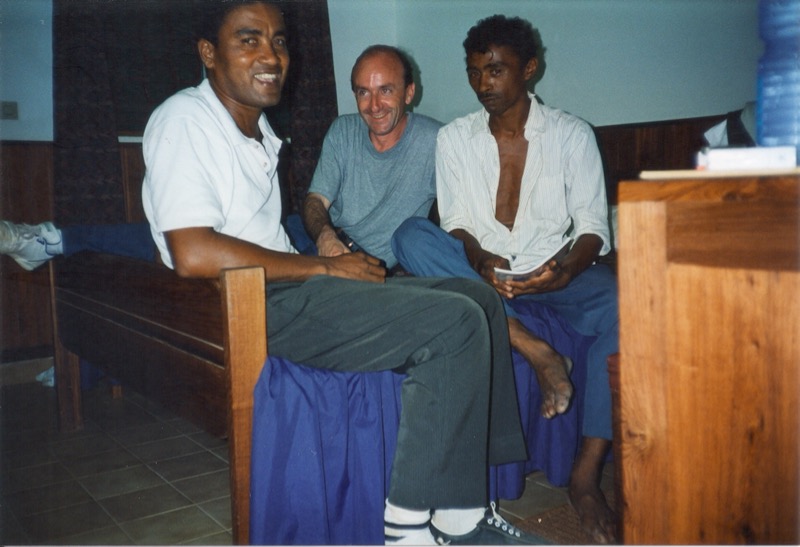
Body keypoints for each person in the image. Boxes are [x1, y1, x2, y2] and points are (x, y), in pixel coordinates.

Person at [139, 2, 540, 545]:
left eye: (279, 41)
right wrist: (326, 265)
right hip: (252, 304)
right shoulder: (186, 119)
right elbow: (191, 251)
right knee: (456, 322)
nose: (271, 56)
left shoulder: (255, 131)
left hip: (284, 288)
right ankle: (409, 525)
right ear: (208, 53)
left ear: (408, 93)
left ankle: (464, 506)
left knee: (482, 302)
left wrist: (327, 271)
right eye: (249, 40)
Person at [391, 14, 619, 544]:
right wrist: (476, 257)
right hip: (483, 272)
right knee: (410, 236)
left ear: (529, 68)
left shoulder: (572, 134)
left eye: (495, 70)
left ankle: (586, 478)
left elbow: (592, 228)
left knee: (624, 304)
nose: (483, 84)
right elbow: (455, 224)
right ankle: (536, 348)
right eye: (474, 72)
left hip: (555, 271)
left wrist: (562, 272)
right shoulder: (455, 138)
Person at [303, 43, 573, 420]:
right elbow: (315, 202)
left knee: (413, 236)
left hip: (380, 265)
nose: (374, 105)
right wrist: (324, 235)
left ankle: (531, 345)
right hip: (331, 250)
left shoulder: (439, 140)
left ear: (409, 93)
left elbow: (475, 209)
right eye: (363, 92)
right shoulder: (342, 131)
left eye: (386, 90)